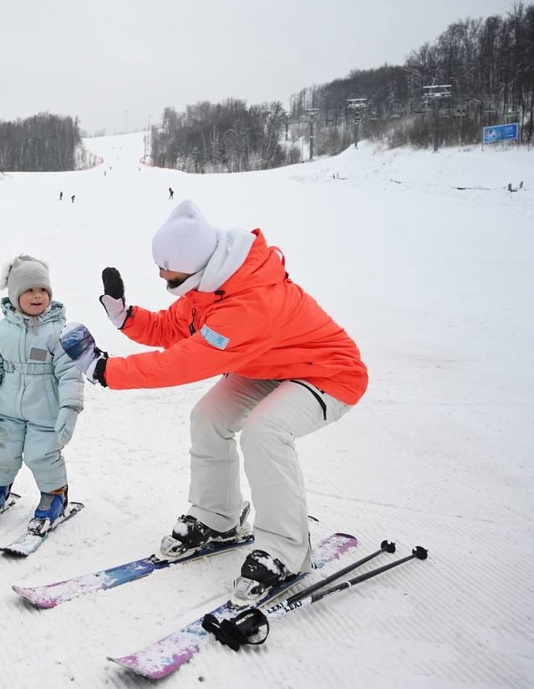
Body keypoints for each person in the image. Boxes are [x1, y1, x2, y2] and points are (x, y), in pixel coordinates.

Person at [60, 200, 367, 604]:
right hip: (267, 365)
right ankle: (217, 518)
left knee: (264, 432)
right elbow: (175, 326)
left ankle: (286, 550)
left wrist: (105, 370)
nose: (160, 273)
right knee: (208, 417)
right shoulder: (211, 281)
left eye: (166, 267)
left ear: (193, 263)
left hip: (328, 373)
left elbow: (182, 362)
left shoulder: (249, 303)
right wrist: (126, 317)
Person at [0, 254, 85, 532]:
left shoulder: (59, 332)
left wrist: (69, 409)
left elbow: (71, 373)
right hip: (6, 410)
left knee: (42, 455)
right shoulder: (2, 331)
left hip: (45, 413)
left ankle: (55, 494)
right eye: (29, 290)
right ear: (14, 296)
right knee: (1, 451)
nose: (37, 296)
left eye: (42, 290)